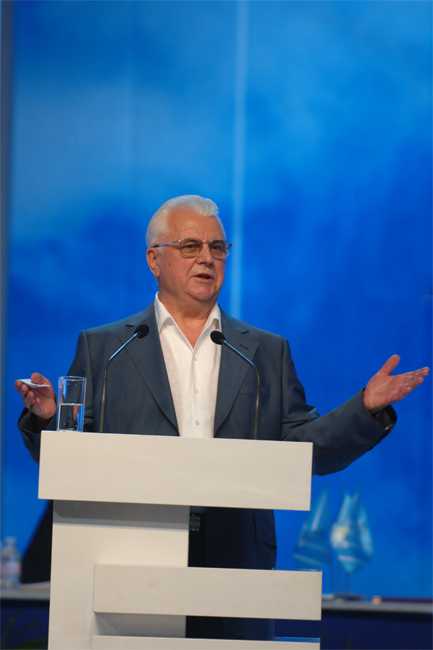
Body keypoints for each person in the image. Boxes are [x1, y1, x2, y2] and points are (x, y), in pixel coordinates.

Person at [16, 194, 429, 640]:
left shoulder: (264, 353)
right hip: (132, 560)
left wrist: (364, 408)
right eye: (190, 246)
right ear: (154, 260)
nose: (207, 258)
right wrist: (49, 421)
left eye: (217, 247)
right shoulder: (107, 349)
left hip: (237, 565)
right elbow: (75, 456)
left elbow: (306, 448)